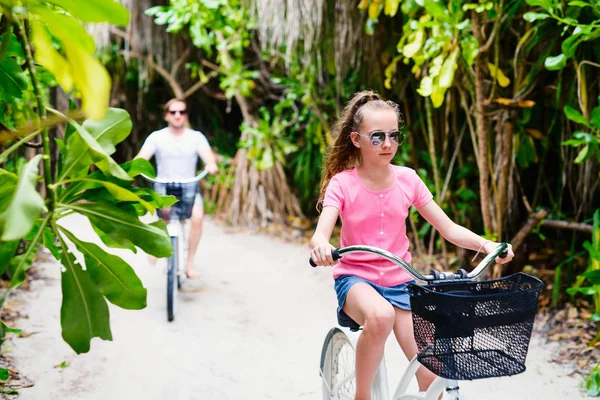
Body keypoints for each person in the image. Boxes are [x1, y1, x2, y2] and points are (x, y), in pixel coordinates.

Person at [309, 90, 514, 400]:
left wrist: (487, 245)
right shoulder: (344, 183)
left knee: (433, 377)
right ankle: (361, 396)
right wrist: (321, 246)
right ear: (356, 139)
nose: (387, 144)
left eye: (394, 135)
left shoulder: (408, 180)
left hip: (400, 282)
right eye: (377, 137)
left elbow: (447, 228)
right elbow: (320, 233)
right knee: (380, 317)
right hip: (356, 280)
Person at [136, 98, 218, 280]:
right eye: (173, 112)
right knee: (164, 218)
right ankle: (157, 249)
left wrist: (210, 164)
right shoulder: (157, 137)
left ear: (186, 115)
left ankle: (189, 264)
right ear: (166, 115)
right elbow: (142, 157)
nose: (178, 115)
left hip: (189, 185)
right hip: (163, 186)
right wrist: (135, 166)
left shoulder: (196, 137)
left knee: (197, 218)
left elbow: (208, 157)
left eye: (182, 112)